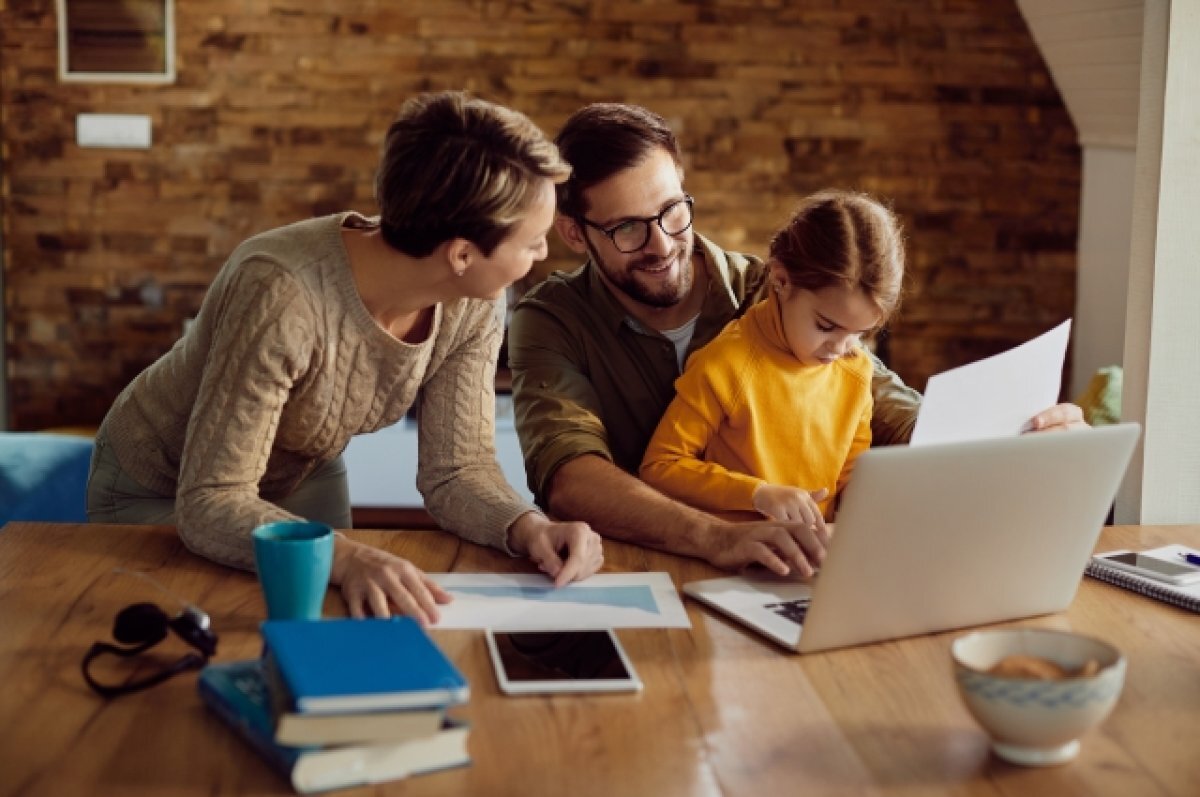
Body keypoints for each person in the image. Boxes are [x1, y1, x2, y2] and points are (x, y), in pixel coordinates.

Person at [87, 91, 604, 623]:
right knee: (214, 636)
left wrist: (528, 527)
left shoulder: (474, 299)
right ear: (462, 254)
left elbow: (457, 469)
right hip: (166, 483)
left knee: (337, 628)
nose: (544, 253)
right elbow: (210, 499)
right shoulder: (282, 291)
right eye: (535, 240)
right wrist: (349, 556)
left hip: (301, 470)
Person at [507, 102, 1085, 578]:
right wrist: (715, 536)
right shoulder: (550, 319)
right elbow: (571, 478)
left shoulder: (774, 292)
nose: (662, 245)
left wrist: (1010, 439)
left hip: (788, 570)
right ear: (574, 234)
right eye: (627, 229)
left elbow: (889, 411)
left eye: (672, 211)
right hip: (622, 577)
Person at [640, 190, 905, 565]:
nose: (842, 348)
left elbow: (849, 482)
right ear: (780, 280)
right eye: (826, 325)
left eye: (861, 333)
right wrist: (758, 493)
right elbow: (659, 467)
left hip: (812, 567)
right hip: (733, 566)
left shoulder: (856, 371)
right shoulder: (726, 363)